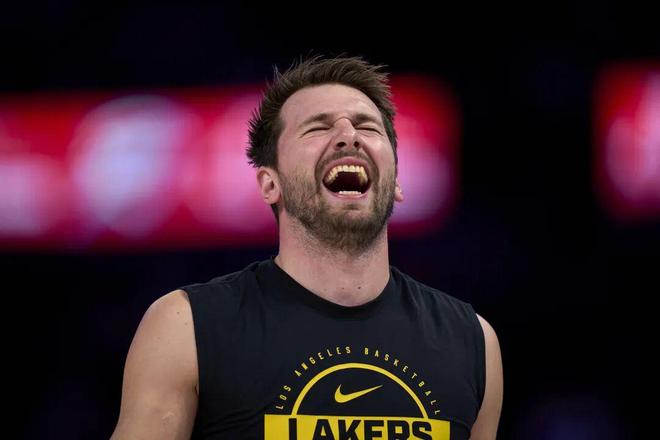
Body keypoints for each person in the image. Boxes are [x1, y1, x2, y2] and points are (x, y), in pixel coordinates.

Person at [111, 55, 503, 440]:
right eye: (318, 127)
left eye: (367, 126)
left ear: (397, 180)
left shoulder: (472, 341)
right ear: (271, 184)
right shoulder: (186, 326)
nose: (348, 136)